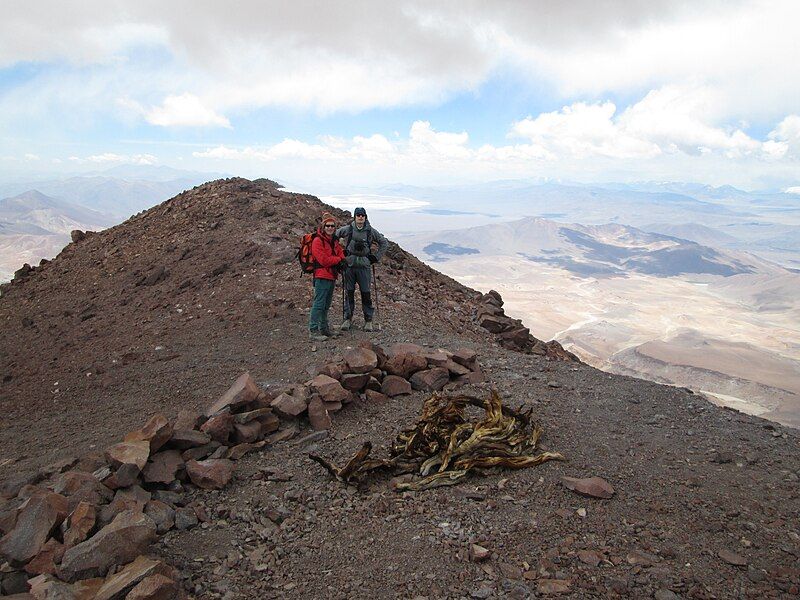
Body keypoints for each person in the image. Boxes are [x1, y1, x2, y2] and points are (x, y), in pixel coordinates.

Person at [335, 207, 388, 331]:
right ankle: (347, 318)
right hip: (350, 265)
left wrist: (375, 257)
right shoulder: (348, 229)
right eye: (358, 215)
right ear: (355, 216)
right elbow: (333, 238)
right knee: (349, 292)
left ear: (365, 217)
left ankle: (368, 320)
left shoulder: (370, 231)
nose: (360, 217)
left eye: (362, 215)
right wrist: (339, 254)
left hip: (364, 266)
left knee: (366, 293)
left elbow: (384, 243)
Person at [308, 212, 345, 341]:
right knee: (319, 303)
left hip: (331, 276)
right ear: (323, 227)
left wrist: (339, 259)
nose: (330, 228)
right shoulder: (317, 241)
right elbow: (324, 260)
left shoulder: (333, 241)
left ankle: (324, 329)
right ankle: (313, 330)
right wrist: (338, 260)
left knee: (326, 304)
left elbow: (341, 254)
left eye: (332, 226)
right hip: (322, 276)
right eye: (328, 225)